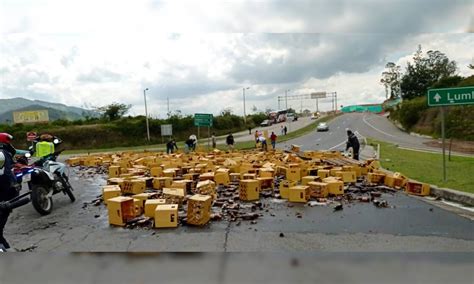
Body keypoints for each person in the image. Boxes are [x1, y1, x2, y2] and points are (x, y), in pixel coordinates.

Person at [0, 133, 19, 250]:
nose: (10, 144)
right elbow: (6, 174)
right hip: (5, 191)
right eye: (9, 142)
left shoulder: (4, 154)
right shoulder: (3, 153)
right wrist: (13, 186)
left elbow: (8, 166)